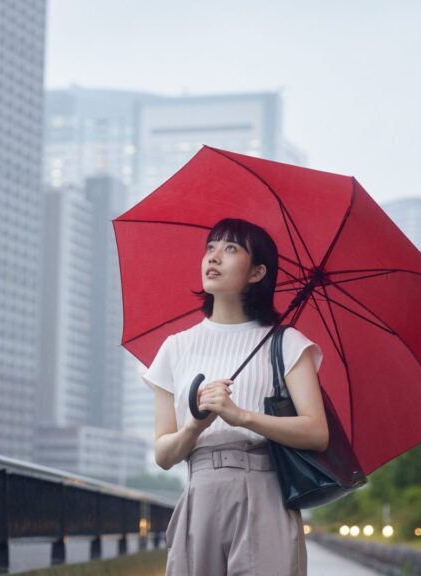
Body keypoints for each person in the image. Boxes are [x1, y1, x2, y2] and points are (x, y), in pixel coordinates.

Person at [142, 217, 328, 576]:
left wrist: (240, 415)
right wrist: (194, 428)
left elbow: (316, 432)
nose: (214, 258)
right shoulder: (175, 348)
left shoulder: (286, 344)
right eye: (210, 248)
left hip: (265, 494)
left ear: (257, 273)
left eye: (230, 249)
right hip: (199, 495)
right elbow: (164, 455)